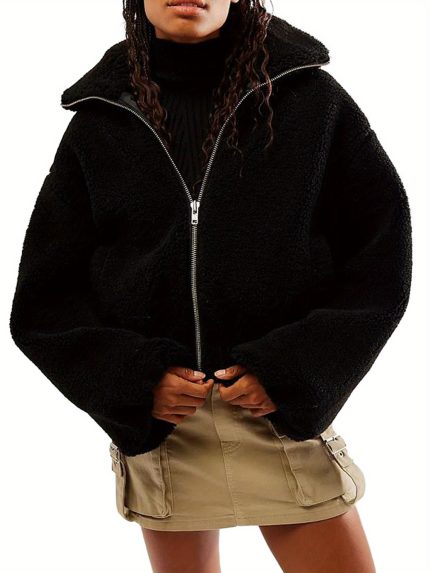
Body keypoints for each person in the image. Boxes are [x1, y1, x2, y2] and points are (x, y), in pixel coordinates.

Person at [9, 1, 412, 572]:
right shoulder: (101, 120)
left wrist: (293, 370)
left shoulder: (312, 102)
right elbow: (45, 301)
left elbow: (380, 258)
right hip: (165, 427)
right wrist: (136, 381)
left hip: (276, 414)